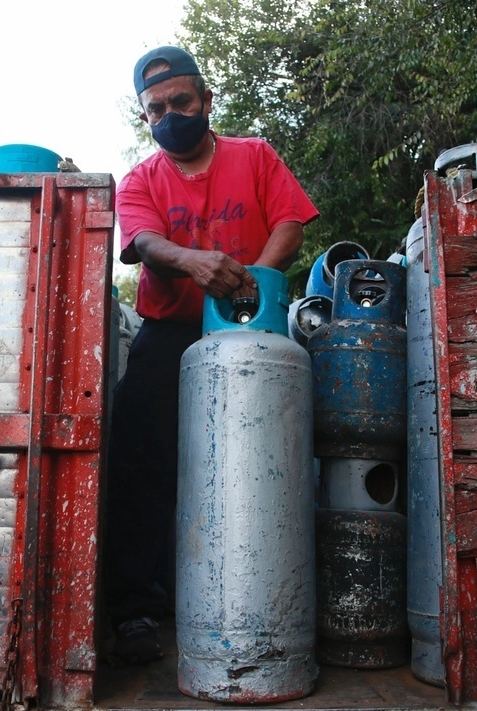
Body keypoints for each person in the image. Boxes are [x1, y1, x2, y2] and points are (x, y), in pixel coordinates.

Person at [104, 45, 320, 664]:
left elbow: (290, 223)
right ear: (145, 117)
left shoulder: (254, 155)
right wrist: (195, 263)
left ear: (205, 99)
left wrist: (252, 280)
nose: (170, 115)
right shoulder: (141, 179)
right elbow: (145, 242)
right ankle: (136, 611)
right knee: (141, 459)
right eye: (156, 109)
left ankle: (271, 604)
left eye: (181, 101)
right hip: (170, 333)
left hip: (255, 323)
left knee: (267, 462)